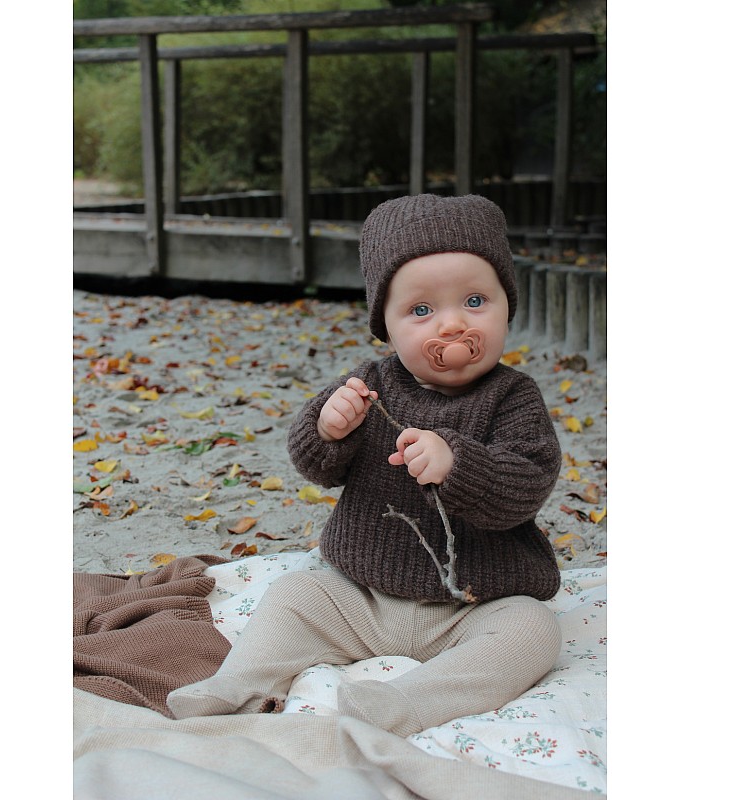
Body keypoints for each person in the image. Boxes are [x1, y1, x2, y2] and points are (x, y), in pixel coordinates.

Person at [168, 194, 562, 736]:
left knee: (533, 630)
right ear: (386, 325)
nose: (452, 324)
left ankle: (403, 704)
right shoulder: (370, 384)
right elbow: (316, 466)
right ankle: (235, 685)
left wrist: (459, 464)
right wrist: (328, 430)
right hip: (362, 596)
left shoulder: (514, 397)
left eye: (475, 301)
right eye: (421, 310)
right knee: (294, 596)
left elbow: (528, 481)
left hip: (473, 603)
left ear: (506, 306)